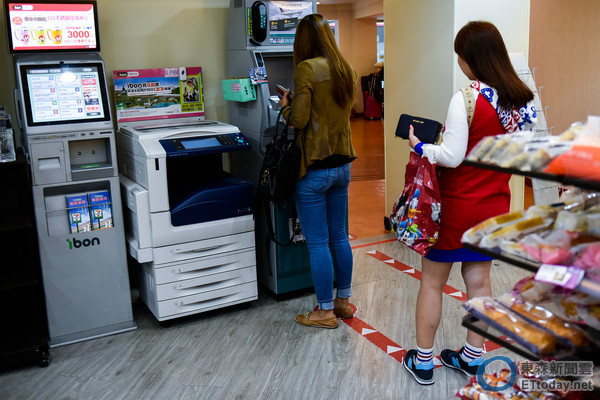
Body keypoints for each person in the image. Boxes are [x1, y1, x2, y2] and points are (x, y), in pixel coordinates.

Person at [402, 21, 537, 385]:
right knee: (479, 282)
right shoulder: (522, 101)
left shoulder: (467, 97)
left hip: (456, 207)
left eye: (460, 55)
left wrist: (418, 145)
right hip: (494, 204)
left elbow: (451, 155)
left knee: (432, 282)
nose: (459, 61)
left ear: (470, 58)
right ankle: (473, 358)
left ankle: (425, 362)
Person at [278, 14, 357, 329]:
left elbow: (297, 120)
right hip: (342, 167)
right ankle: (343, 302)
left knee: (318, 242)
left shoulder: (306, 68)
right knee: (339, 236)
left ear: (304, 41)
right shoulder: (345, 68)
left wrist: (285, 104)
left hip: (314, 169)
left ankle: (324, 311)